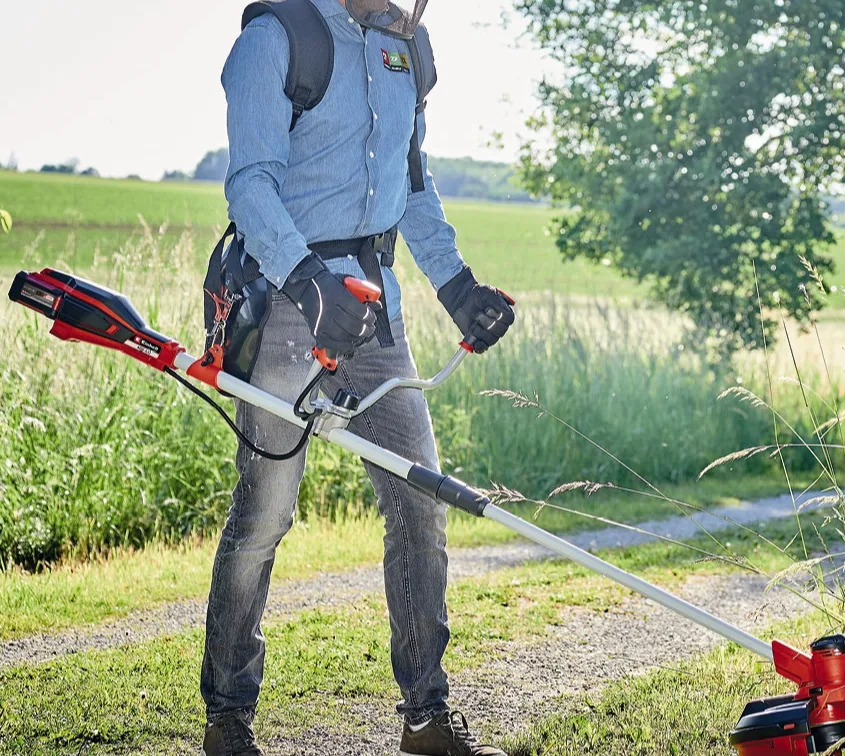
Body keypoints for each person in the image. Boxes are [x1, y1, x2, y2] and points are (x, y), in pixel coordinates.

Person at [201, 0, 515, 754]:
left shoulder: (406, 48)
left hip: (377, 314)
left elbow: (413, 186)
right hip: (285, 308)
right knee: (265, 515)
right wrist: (310, 283)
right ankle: (228, 718)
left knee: (420, 504)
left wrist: (457, 287)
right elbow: (250, 186)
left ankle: (426, 716)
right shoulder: (277, 41)